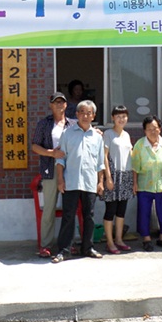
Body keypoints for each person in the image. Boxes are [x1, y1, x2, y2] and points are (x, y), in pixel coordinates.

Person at [52, 100, 105, 263]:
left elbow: (100, 163)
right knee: (68, 216)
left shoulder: (97, 137)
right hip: (71, 181)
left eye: (89, 113)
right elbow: (61, 160)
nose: (85, 115)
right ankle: (64, 250)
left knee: (89, 216)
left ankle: (87, 248)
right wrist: (60, 180)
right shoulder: (67, 134)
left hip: (90, 182)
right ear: (76, 114)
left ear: (93, 116)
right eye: (82, 112)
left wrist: (100, 182)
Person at [31, 92, 75, 258]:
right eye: (56, 102)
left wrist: (98, 132)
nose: (59, 105)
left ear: (66, 105)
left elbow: (87, 132)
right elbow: (34, 146)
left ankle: (68, 244)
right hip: (50, 170)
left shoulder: (73, 124)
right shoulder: (44, 124)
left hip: (70, 170)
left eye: (62, 102)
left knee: (70, 209)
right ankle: (45, 245)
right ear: (50, 105)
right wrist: (51, 153)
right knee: (49, 208)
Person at [132, 115, 162, 251]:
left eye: (155, 128)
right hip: (144, 184)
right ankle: (146, 239)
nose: (153, 131)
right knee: (144, 212)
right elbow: (135, 167)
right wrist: (135, 183)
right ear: (144, 130)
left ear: (160, 129)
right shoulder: (140, 145)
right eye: (149, 129)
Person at [100, 105, 134, 254]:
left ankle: (119, 239)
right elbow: (104, 157)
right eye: (118, 116)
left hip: (125, 175)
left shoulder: (126, 135)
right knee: (110, 210)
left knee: (121, 211)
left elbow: (131, 156)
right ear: (113, 118)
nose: (121, 119)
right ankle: (109, 242)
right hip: (113, 175)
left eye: (124, 116)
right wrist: (108, 177)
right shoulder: (108, 134)